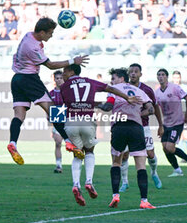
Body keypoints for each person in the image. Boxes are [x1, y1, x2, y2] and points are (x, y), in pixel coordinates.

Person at [7, 17, 89, 165]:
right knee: (54, 111)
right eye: (50, 33)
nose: (51, 36)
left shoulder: (28, 36)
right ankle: (69, 142)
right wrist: (72, 61)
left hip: (17, 79)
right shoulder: (32, 47)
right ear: (42, 32)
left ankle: (13, 142)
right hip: (29, 79)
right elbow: (50, 65)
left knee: (19, 116)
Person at [60, 65, 140, 206]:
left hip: (71, 122)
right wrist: (127, 97)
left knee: (77, 154)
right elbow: (110, 89)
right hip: (87, 121)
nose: (63, 74)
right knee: (89, 151)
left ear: (72, 71)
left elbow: (62, 105)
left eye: (65, 71)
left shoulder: (64, 86)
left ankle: (75, 184)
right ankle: (89, 182)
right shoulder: (90, 81)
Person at [98, 68, 156, 209]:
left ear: (122, 79)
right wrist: (137, 113)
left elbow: (108, 106)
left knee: (116, 163)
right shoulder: (139, 91)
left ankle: (115, 196)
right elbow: (151, 109)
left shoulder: (114, 90)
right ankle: (144, 201)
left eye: (114, 78)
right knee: (141, 166)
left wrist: (95, 105)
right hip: (136, 128)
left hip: (119, 128)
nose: (112, 82)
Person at [118, 63, 164, 192]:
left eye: (136, 71)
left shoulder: (147, 90)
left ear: (140, 74)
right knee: (124, 155)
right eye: (131, 71)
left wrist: (161, 125)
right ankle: (125, 182)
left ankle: (154, 173)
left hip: (142, 126)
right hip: (126, 126)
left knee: (150, 154)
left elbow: (153, 108)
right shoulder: (122, 88)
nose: (133, 73)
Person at [155, 68, 187, 177]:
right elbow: (156, 108)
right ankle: (177, 170)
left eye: (163, 74)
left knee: (170, 147)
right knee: (165, 148)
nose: (160, 77)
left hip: (177, 122)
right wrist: (160, 125)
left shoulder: (175, 88)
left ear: (167, 77)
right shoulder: (157, 93)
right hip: (166, 123)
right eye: (158, 75)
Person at [49, 71, 64, 173]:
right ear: (54, 80)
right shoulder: (51, 93)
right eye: (56, 78)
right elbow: (48, 107)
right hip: (57, 121)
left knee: (76, 145)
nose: (58, 80)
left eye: (60, 78)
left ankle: (78, 164)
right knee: (58, 143)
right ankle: (58, 166)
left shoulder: (68, 92)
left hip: (69, 121)